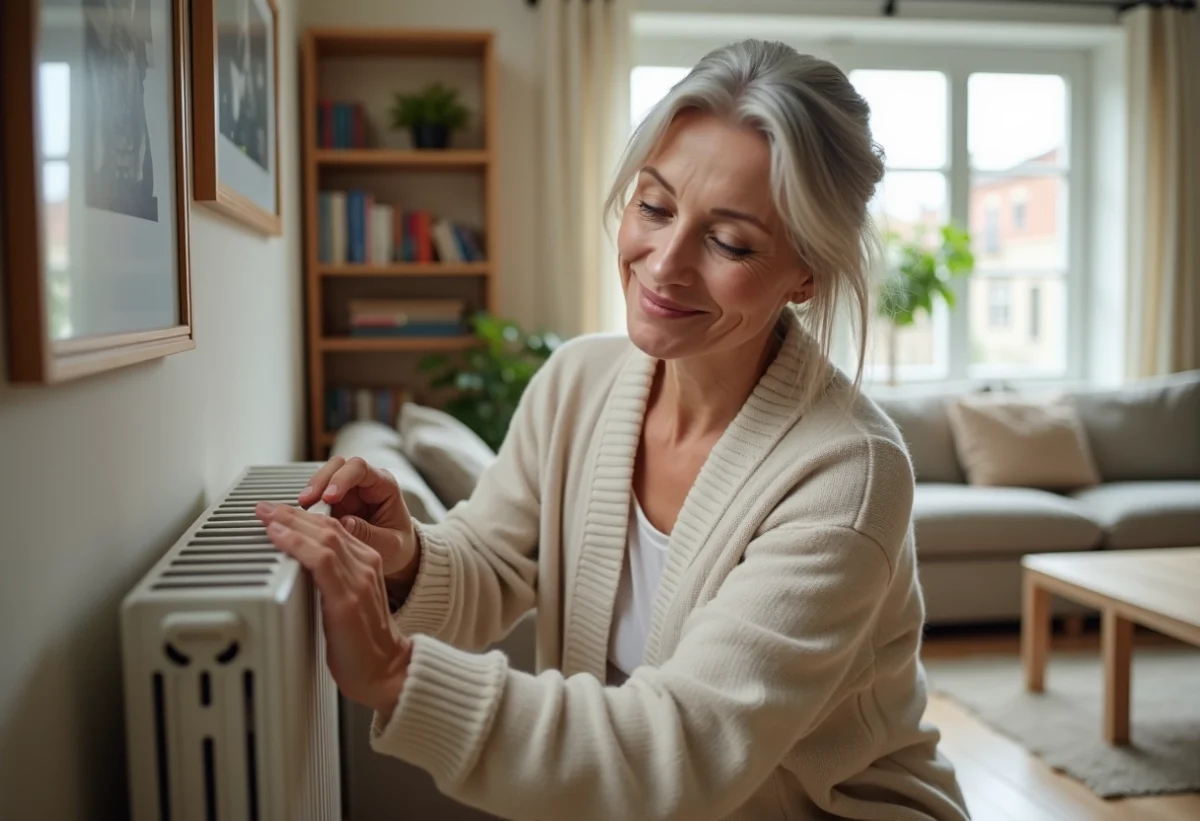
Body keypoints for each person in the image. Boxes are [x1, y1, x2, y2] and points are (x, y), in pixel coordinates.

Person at [255, 39, 971, 821]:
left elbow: (686, 745)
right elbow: (496, 560)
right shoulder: (577, 381)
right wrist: (405, 558)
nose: (663, 264)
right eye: (655, 206)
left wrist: (395, 675)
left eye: (730, 241)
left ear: (806, 274)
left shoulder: (847, 473)